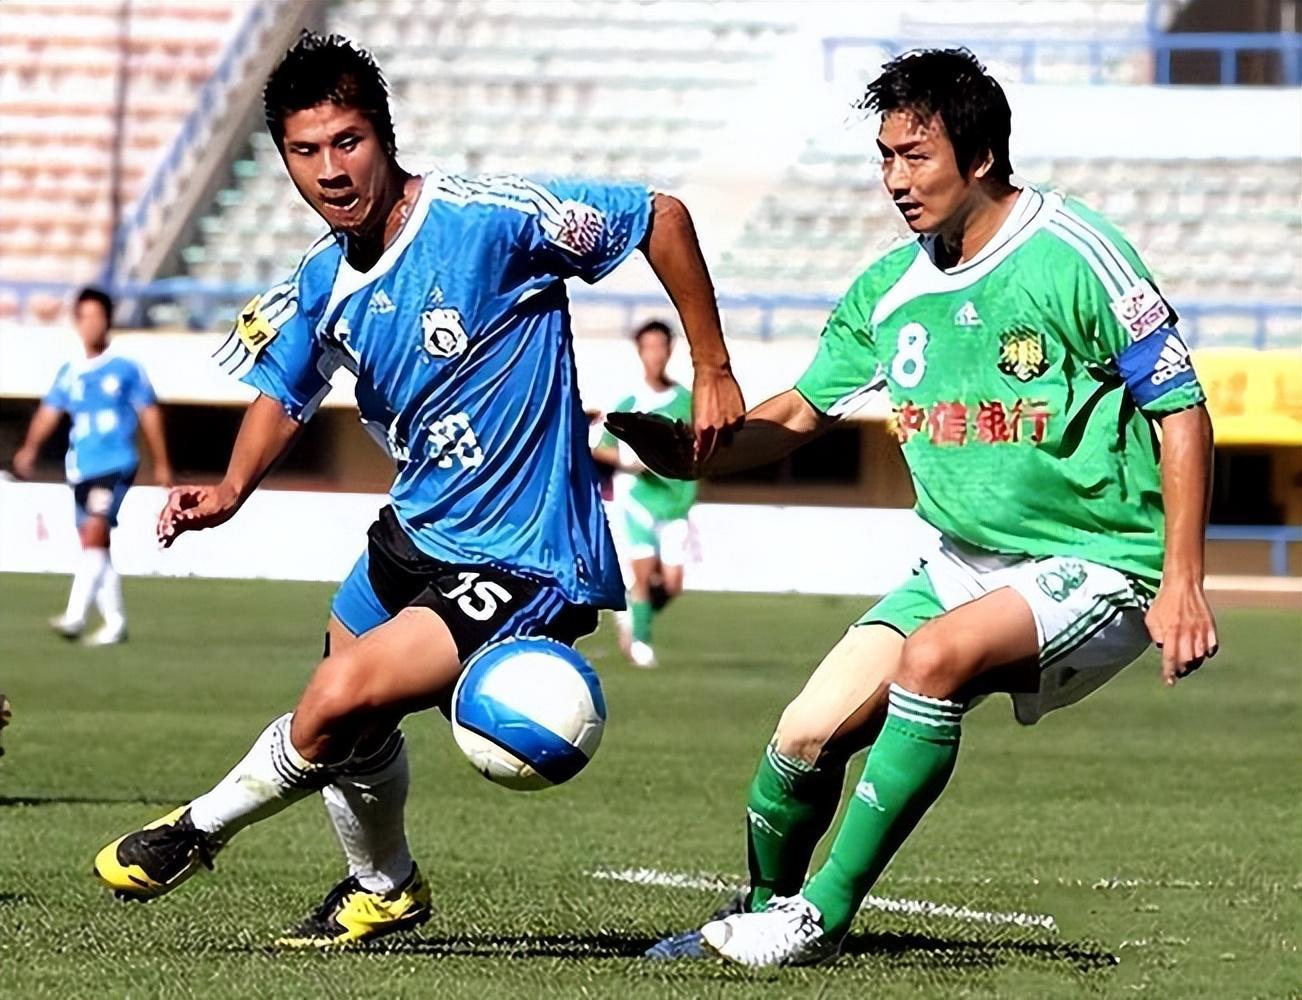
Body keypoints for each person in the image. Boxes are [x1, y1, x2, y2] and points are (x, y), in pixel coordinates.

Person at [91, 32, 744, 947]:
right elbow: (285, 390)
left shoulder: (487, 223)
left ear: (385, 136)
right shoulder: (322, 280)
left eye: (348, 141)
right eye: (305, 151)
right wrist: (232, 487)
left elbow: (658, 216)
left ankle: (196, 829)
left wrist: (711, 367)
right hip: (415, 529)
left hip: (524, 552)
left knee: (336, 698)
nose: (330, 170)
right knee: (350, 722)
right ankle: (384, 886)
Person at [609, 48, 1218, 967]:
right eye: (885, 157)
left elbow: (1182, 411)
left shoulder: (1074, 253)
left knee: (932, 663)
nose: (895, 180)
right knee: (802, 737)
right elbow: (802, 411)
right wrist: (699, 450)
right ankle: (759, 910)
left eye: (915, 156)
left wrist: (1183, 581)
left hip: (1100, 560)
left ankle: (817, 919)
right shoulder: (890, 287)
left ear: (980, 157)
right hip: (961, 564)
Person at [13, 287, 173, 646]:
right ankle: (115, 622)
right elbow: (49, 412)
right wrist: (29, 449)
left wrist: (162, 463)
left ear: (108, 321)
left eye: (98, 317)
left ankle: (75, 616)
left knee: (95, 532)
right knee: (95, 544)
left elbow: (149, 413)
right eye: (84, 317)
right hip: (81, 466)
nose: (91, 324)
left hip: (115, 463)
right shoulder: (70, 372)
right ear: (77, 322)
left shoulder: (126, 368)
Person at [593, 319, 696, 668]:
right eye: (648, 347)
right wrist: (631, 461)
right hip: (638, 500)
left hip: (676, 502)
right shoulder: (629, 402)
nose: (655, 354)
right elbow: (602, 449)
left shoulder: (686, 402)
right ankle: (640, 643)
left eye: (660, 346)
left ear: (670, 350)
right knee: (642, 574)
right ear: (640, 352)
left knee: (672, 584)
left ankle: (633, 614)